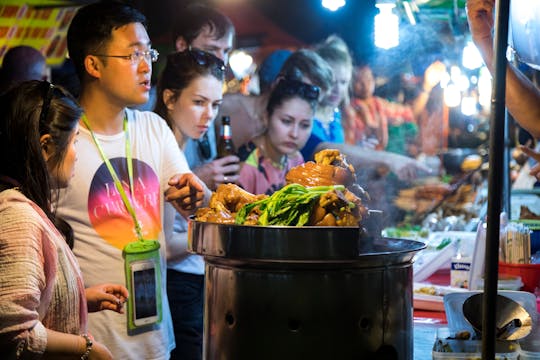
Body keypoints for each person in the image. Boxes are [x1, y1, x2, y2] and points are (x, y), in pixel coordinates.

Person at [56, 2, 208, 359]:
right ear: (93, 64)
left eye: (149, 53)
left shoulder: (153, 129)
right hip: (89, 342)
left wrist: (196, 196)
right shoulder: (62, 140)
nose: (147, 66)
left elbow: (194, 197)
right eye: (132, 55)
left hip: (155, 338)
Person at [0, 80, 128, 359]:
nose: (76, 154)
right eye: (73, 142)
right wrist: (89, 349)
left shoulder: (22, 204)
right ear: (45, 148)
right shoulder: (19, 217)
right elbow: (15, 335)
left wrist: (78, 297)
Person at [154, 49, 225, 360]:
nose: (209, 114)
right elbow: (166, 246)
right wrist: (218, 232)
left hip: (193, 279)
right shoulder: (164, 147)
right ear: (170, 99)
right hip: (177, 283)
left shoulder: (185, 145)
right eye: (199, 102)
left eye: (215, 105)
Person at [170, 3, 239, 191]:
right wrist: (198, 177)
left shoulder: (209, 105)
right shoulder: (148, 108)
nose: (222, 60)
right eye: (211, 49)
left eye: (226, 51)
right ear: (182, 45)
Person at [342, 61, 445, 155]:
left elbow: (410, 112)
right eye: (359, 81)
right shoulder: (348, 110)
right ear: (350, 84)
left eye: (368, 79)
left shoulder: (379, 105)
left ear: (374, 81)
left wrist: (427, 87)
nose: (365, 85)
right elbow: (346, 149)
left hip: (380, 165)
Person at [237, 78, 319, 195]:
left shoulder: (295, 159)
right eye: (286, 121)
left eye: (304, 125)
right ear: (266, 118)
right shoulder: (246, 166)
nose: (294, 134)